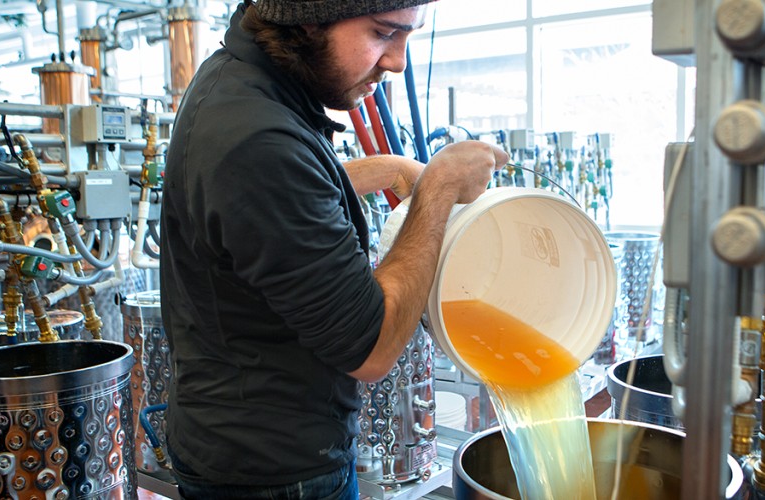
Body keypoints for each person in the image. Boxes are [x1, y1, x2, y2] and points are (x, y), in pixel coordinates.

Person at [159, 0, 509, 498]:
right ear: (308, 17)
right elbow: (371, 348)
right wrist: (440, 186)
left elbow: (271, 203)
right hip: (276, 475)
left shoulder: (239, 83)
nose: (398, 62)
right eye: (384, 33)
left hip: (241, 444)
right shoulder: (254, 134)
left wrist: (385, 169)